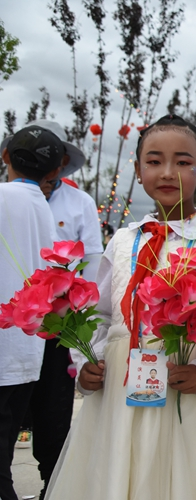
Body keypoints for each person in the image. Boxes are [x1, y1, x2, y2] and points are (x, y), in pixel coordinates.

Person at [45, 115, 196, 500]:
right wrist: (88, 360)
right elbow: (101, 314)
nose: (168, 172)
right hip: (120, 392)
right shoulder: (123, 241)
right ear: (138, 172)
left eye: (183, 162)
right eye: (154, 161)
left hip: (192, 394)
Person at [6, 119, 105, 500]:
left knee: (53, 417)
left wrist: (81, 319)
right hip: (13, 325)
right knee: (10, 413)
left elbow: (92, 262)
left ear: (62, 161)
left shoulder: (80, 203)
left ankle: (55, 486)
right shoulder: (8, 197)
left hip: (59, 329)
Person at [0, 126, 61, 500]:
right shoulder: (43, 208)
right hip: (27, 347)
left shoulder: (4, 196)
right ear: (54, 172)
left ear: (5, 155)